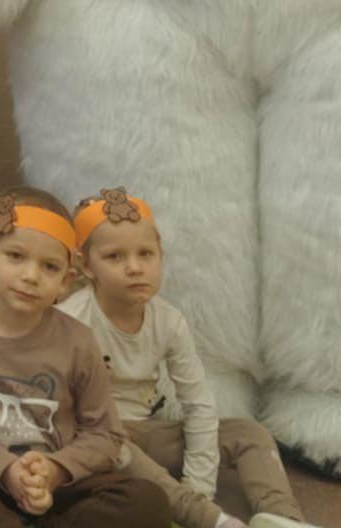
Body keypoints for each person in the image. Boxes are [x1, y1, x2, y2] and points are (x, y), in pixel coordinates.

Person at [0, 189, 169, 527]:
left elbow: (105, 433)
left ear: (65, 280)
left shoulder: (78, 341)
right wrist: (6, 469)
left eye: (49, 266)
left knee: (148, 502)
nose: (31, 276)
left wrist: (54, 470)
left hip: (57, 485)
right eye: (16, 256)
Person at [58, 190, 317, 528]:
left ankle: (282, 516)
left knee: (249, 433)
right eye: (114, 257)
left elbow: (198, 403)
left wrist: (199, 484)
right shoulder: (72, 321)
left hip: (147, 432)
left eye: (145, 254)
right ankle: (204, 518)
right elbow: (66, 414)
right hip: (100, 438)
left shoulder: (169, 321)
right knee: (116, 445)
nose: (135, 267)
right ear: (86, 266)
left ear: (160, 256)